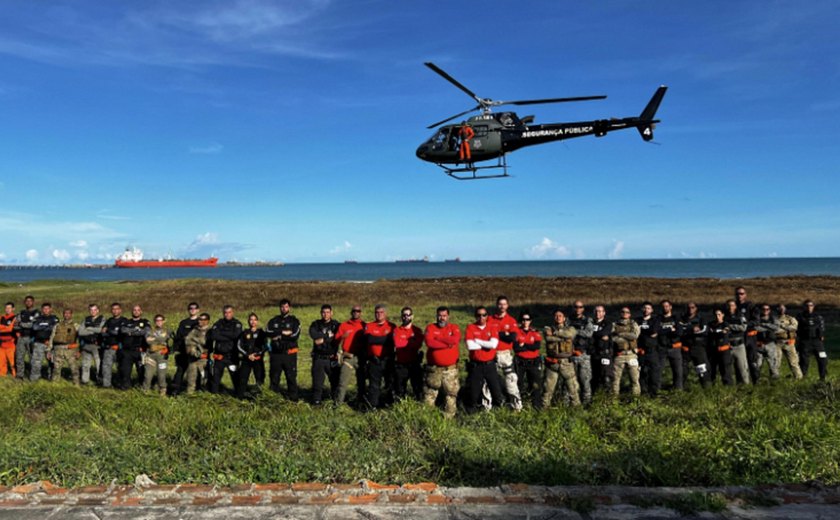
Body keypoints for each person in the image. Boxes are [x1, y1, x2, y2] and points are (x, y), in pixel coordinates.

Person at [423, 306, 461, 417]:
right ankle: (427, 417)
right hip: (433, 369)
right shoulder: (430, 328)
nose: (441, 318)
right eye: (439, 315)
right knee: (429, 394)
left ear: (448, 316)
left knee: (451, 395)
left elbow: (455, 340)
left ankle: (449, 418)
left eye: (444, 316)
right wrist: (447, 343)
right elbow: (430, 343)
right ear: (436, 316)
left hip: (450, 370)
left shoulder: (454, 327)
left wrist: (438, 338)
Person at [466, 306, 504, 412]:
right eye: (478, 315)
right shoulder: (471, 327)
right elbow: (470, 346)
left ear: (487, 316)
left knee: (496, 391)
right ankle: (471, 416)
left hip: (490, 365)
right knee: (473, 393)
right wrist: (486, 344)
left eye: (484, 315)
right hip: (476, 365)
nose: (481, 317)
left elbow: (493, 344)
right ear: (475, 316)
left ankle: (499, 414)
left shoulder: (492, 327)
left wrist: (477, 340)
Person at [487, 296, 522, 411]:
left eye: (504, 304)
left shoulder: (511, 320)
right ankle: (489, 407)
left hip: (505, 354)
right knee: (489, 381)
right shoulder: (489, 319)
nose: (502, 306)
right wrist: (504, 334)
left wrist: (497, 333)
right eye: (500, 304)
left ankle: (516, 407)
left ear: (507, 306)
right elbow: (486, 335)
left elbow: (512, 338)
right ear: (497, 305)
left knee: (511, 380)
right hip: (491, 353)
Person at [541, 310, 579, 407]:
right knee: (548, 389)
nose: (558, 317)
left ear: (564, 318)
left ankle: (577, 409)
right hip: (552, 363)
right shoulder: (547, 328)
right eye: (556, 315)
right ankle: (544, 410)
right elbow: (548, 338)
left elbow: (570, 335)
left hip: (567, 363)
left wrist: (555, 333)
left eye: (560, 315)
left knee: (573, 389)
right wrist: (563, 337)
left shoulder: (571, 328)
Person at [266, 299, 301, 400]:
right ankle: (273, 399)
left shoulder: (294, 321)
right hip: (276, 354)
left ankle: (293, 399)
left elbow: (294, 335)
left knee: (291, 377)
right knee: (274, 377)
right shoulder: (273, 321)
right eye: (282, 307)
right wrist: (283, 332)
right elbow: (268, 332)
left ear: (289, 308)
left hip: (289, 354)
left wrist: (279, 336)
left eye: (286, 307)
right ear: (279, 308)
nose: (284, 308)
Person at [364, 304, 395, 409]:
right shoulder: (369, 325)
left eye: (381, 312)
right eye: (377, 312)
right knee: (374, 385)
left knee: (389, 383)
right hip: (374, 360)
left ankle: (389, 405)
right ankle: (373, 406)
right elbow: (369, 339)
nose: (379, 314)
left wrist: (376, 338)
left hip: (388, 359)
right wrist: (385, 339)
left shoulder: (392, 326)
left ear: (385, 314)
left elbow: (392, 341)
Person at [309, 304, 340, 405]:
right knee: (317, 383)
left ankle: (335, 402)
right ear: (320, 313)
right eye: (323, 312)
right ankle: (316, 402)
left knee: (335, 381)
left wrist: (322, 339)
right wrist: (328, 336)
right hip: (319, 358)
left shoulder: (336, 325)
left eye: (327, 312)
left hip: (332, 358)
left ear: (331, 313)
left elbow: (338, 336)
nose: (325, 315)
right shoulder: (315, 324)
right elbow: (315, 337)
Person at [208, 305, 243, 394]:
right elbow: (214, 335)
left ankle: (239, 396)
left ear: (233, 313)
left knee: (236, 378)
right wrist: (229, 336)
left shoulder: (237, 323)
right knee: (215, 378)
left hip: (232, 356)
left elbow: (236, 336)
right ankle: (214, 396)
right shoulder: (218, 323)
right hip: (219, 356)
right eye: (225, 313)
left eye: (229, 312)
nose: (227, 314)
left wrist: (221, 334)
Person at [335, 306, 366, 405]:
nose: (356, 313)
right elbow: (336, 340)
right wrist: (342, 337)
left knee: (361, 382)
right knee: (342, 382)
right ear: (351, 312)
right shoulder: (344, 325)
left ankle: (361, 402)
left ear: (360, 313)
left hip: (361, 357)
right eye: (354, 311)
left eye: (358, 311)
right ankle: (338, 403)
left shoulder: (365, 326)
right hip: (348, 357)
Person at [392, 306, 423, 401]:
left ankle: (419, 407)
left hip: (414, 363)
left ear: (412, 316)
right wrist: (410, 342)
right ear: (401, 316)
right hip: (401, 365)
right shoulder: (396, 330)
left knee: (418, 389)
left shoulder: (417, 330)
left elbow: (418, 344)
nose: (406, 317)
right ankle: (401, 408)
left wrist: (404, 341)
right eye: (404, 315)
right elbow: (397, 343)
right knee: (400, 390)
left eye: (408, 315)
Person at [171, 302, 201, 395]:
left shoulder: (200, 322)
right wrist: (175, 348)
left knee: (196, 371)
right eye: (190, 308)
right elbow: (178, 336)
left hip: (195, 351)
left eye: (195, 308)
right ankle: (175, 390)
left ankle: (197, 390)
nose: (192, 309)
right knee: (180, 371)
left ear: (198, 310)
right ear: (188, 310)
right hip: (183, 351)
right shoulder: (183, 323)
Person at [513, 311, 542, 407]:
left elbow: (537, 346)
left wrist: (524, 345)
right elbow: (516, 348)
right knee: (518, 384)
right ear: (521, 320)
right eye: (523, 319)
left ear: (530, 321)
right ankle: (518, 405)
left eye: (527, 319)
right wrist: (530, 346)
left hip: (533, 362)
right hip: (520, 362)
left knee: (535, 385)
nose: (525, 321)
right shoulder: (516, 332)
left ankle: (536, 406)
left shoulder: (535, 332)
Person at [118, 305, 150, 390]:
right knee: (125, 371)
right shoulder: (126, 322)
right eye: (134, 310)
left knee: (142, 371)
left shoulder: (145, 322)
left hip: (140, 350)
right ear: (132, 311)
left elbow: (146, 331)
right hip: (127, 351)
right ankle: (126, 387)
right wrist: (137, 330)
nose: (136, 311)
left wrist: (131, 332)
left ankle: (141, 387)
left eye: (138, 310)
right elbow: (123, 330)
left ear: (141, 312)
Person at [611, 307, 642, 396]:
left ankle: (635, 399)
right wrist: (623, 338)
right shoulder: (614, 324)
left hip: (631, 354)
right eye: (623, 312)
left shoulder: (633, 324)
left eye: (627, 312)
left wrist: (621, 334)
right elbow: (613, 338)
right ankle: (614, 399)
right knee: (615, 380)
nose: (625, 313)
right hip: (619, 355)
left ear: (630, 314)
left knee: (635, 379)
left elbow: (634, 336)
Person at [679, 302, 710, 388]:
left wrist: (687, 330)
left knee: (702, 369)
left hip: (698, 347)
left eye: (692, 307)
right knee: (683, 369)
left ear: (696, 308)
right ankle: (680, 389)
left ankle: (706, 388)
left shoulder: (701, 318)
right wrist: (692, 329)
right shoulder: (683, 318)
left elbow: (704, 331)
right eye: (688, 307)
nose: (690, 309)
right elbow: (680, 331)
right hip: (686, 348)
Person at [237, 313, 268, 399]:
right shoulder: (244, 333)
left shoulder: (261, 333)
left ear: (257, 321)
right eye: (251, 319)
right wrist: (247, 355)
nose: (253, 321)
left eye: (255, 319)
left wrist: (257, 354)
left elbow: (266, 346)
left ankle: (259, 397)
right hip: (246, 360)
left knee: (260, 379)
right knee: (242, 379)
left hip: (258, 360)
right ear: (248, 321)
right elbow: (239, 346)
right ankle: (240, 397)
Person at [797, 300, 827, 381]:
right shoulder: (800, 317)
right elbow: (796, 329)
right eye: (807, 305)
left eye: (811, 305)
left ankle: (823, 378)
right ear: (804, 307)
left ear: (813, 306)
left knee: (823, 359)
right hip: (805, 341)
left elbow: (822, 327)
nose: (809, 307)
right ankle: (803, 378)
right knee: (804, 361)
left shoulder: (818, 317)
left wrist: (821, 335)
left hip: (817, 342)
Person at [735, 287, 760, 383]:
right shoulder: (733, 306)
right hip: (738, 337)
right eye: (737, 294)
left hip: (750, 337)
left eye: (741, 293)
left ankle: (756, 382)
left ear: (745, 294)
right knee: (739, 362)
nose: (739, 295)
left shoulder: (751, 306)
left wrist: (745, 325)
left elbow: (756, 321)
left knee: (752, 361)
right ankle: (740, 383)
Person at [657, 300, 684, 390]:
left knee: (678, 371)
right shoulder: (658, 319)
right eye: (663, 306)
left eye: (667, 306)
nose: (665, 308)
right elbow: (656, 332)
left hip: (675, 348)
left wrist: (664, 332)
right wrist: (669, 330)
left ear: (670, 307)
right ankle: (657, 390)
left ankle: (678, 391)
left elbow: (679, 332)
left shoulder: (676, 318)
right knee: (658, 370)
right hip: (662, 348)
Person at [636, 302, 661, 396]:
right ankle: (643, 391)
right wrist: (647, 334)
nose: (646, 310)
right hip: (640, 350)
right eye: (645, 308)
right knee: (641, 372)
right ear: (642, 309)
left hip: (652, 351)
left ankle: (654, 392)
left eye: (648, 308)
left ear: (652, 310)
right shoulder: (637, 320)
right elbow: (635, 333)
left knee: (654, 372)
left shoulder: (655, 320)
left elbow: (654, 331)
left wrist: (640, 332)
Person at [50, 308, 80, 384]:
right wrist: (49, 350)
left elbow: (80, 339)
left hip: (70, 349)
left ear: (71, 314)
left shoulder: (76, 326)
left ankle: (76, 384)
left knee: (74, 368)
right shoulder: (57, 325)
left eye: (68, 313)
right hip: (58, 349)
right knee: (56, 368)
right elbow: (52, 337)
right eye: (65, 313)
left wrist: (78, 350)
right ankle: (54, 385)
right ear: (63, 314)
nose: (66, 315)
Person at [100, 303, 127, 389]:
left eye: (117, 309)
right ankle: (106, 385)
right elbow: (102, 333)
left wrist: (109, 331)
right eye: (113, 309)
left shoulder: (124, 321)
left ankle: (119, 384)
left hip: (119, 348)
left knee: (120, 368)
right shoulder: (109, 321)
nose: (115, 311)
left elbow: (121, 333)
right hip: (108, 348)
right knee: (106, 367)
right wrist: (110, 332)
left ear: (120, 310)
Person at [29, 303, 58, 382]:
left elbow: (55, 328)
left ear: (50, 309)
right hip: (39, 343)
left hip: (50, 343)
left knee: (52, 362)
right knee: (36, 362)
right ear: (42, 310)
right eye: (44, 309)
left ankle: (52, 378)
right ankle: (34, 379)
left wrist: (42, 327)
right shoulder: (37, 318)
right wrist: (47, 326)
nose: (46, 310)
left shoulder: (54, 318)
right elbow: (35, 327)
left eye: (47, 308)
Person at [77, 304, 105, 385]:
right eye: (91, 310)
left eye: (94, 310)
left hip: (97, 346)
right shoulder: (86, 319)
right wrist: (93, 331)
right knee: (85, 365)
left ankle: (100, 381)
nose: (93, 312)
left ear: (98, 310)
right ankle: (85, 381)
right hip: (86, 345)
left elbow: (101, 330)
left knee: (99, 365)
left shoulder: (102, 319)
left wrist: (89, 328)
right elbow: (80, 332)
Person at [143, 314, 171, 395]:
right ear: (154, 321)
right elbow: (148, 341)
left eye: (160, 320)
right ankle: (145, 390)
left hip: (162, 356)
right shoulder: (150, 330)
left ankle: (162, 390)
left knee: (161, 375)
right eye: (157, 320)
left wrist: (155, 340)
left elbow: (171, 341)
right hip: (150, 355)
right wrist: (161, 341)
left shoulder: (168, 330)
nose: (159, 322)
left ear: (163, 321)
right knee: (148, 375)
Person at [184, 313, 211, 395]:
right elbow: (188, 343)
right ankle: (190, 395)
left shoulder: (211, 331)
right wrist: (197, 353)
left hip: (206, 359)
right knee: (191, 379)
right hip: (193, 359)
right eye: (199, 319)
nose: (200, 321)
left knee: (205, 379)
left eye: (203, 319)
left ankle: (205, 396)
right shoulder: (193, 331)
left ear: (207, 321)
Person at [725, 299, 750, 385]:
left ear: (735, 306)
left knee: (742, 369)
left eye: (732, 305)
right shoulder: (723, 316)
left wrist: (730, 326)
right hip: (727, 345)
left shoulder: (740, 316)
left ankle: (745, 387)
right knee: (728, 370)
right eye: (728, 305)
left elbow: (743, 327)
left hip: (739, 346)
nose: (730, 307)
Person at [774, 304, 803, 380]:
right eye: (779, 308)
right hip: (777, 343)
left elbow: (794, 327)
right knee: (776, 362)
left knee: (793, 362)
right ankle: (775, 379)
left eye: (783, 308)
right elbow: (772, 330)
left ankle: (799, 378)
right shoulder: (773, 319)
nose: (781, 309)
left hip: (789, 342)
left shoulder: (790, 318)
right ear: (776, 309)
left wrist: (783, 327)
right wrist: (784, 329)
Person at [13, 295, 39, 380]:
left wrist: (21, 324)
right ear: (24, 302)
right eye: (26, 301)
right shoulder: (21, 312)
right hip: (21, 337)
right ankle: (20, 375)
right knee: (19, 357)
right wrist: (23, 325)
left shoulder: (36, 312)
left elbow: (33, 325)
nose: (28, 302)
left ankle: (33, 376)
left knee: (32, 357)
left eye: (30, 301)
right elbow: (15, 325)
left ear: (33, 302)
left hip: (31, 338)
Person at [590, 305, 614, 395]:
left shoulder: (608, 323)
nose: (598, 313)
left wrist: (592, 334)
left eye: (600, 311)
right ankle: (595, 398)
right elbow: (588, 335)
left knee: (606, 377)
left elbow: (604, 332)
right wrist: (598, 335)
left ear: (604, 313)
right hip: (593, 354)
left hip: (605, 354)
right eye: (596, 311)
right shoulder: (590, 323)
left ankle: (608, 399)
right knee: (594, 377)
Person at [707, 307, 734, 386]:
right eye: (715, 315)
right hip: (713, 351)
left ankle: (728, 388)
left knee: (725, 371)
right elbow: (708, 333)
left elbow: (724, 332)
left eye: (719, 315)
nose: (717, 317)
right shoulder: (710, 324)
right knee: (711, 370)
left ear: (722, 315)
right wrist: (718, 332)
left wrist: (714, 332)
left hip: (724, 351)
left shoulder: (725, 324)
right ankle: (711, 387)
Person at [753, 304, 780, 381]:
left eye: (767, 309)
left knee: (773, 364)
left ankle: (774, 381)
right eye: (763, 309)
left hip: (770, 344)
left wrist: (764, 325)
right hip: (759, 344)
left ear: (769, 310)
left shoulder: (773, 318)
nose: (765, 310)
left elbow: (776, 328)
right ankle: (756, 380)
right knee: (758, 364)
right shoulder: (757, 319)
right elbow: (756, 328)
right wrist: (769, 328)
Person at [0, 303, 16, 377]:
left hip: (11, 343)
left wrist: (4, 328)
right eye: (6, 308)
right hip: (2, 344)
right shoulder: (1, 317)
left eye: (9, 308)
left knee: (12, 362)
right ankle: (3, 375)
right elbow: (8, 328)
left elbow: (10, 329)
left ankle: (14, 375)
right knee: (2, 361)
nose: (7, 309)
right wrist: (7, 327)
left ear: (13, 309)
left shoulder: (15, 318)